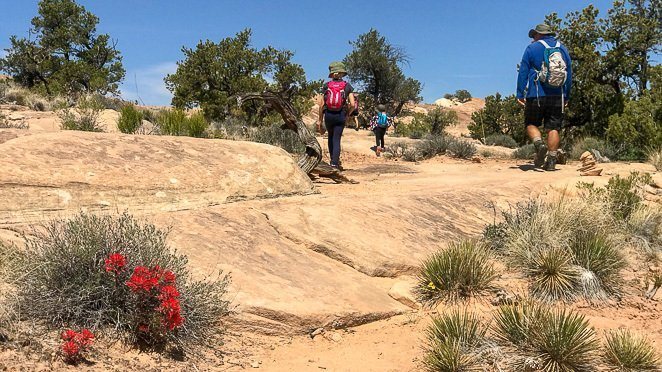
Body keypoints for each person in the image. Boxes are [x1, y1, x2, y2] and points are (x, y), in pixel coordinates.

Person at [516, 23, 572, 171]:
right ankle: (552, 161)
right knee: (553, 128)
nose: (532, 38)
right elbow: (569, 73)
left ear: (539, 34)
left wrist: (520, 93)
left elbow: (523, 71)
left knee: (530, 124)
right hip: (557, 94)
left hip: (536, 93)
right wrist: (566, 95)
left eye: (534, 35)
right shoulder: (563, 48)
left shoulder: (532, 48)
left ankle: (540, 145)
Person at [317, 61, 356, 169]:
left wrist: (320, 120)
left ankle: (332, 161)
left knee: (330, 137)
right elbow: (352, 104)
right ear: (341, 73)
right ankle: (335, 163)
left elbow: (321, 105)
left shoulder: (326, 86)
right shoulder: (347, 86)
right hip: (340, 115)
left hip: (328, 114)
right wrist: (348, 114)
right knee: (337, 139)